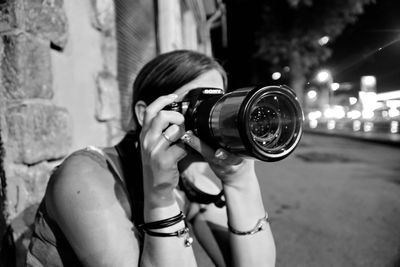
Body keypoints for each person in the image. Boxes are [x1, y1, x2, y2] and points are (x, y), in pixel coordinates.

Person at [26, 50, 276, 267]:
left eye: (218, 104)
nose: (213, 119)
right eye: (199, 102)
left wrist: (240, 182)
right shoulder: (85, 177)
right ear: (146, 114)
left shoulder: (191, 184)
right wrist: (160, 196)